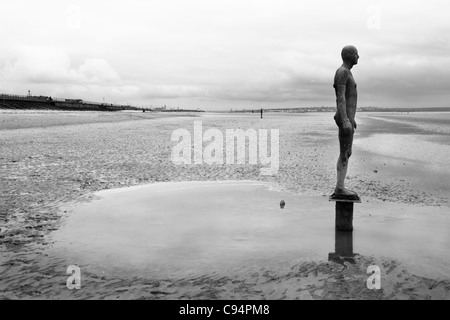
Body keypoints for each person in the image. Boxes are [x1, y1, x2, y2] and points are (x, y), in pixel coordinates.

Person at [330, 45, 360, 200]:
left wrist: (351, 119)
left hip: (347, 118)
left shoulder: (347, 73)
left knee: (347, 152)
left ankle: (340, 186)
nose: (358, 56)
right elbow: (340, 98)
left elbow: (348, 99)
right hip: (344, 119)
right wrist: (345, 119)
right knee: (344, 153)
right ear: (349, 55)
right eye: (356, 53)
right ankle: (340, 188)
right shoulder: (342, 72)